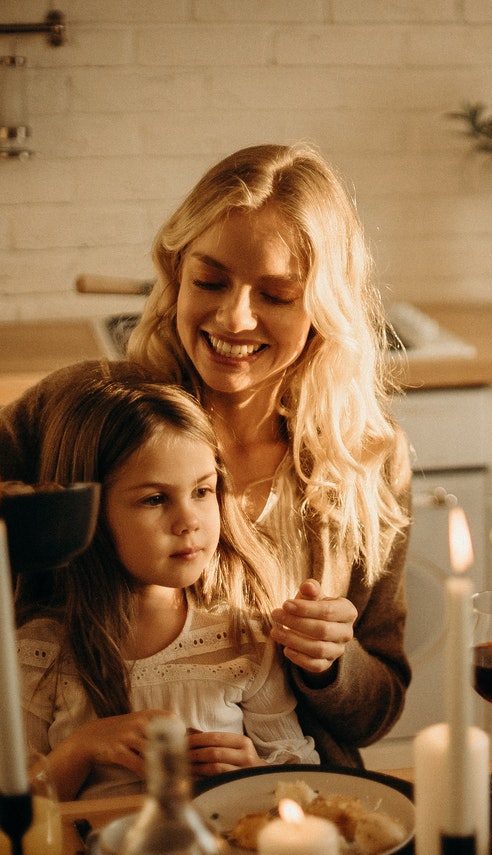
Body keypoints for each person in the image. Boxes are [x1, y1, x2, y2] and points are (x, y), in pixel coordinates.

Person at [0, 143, 412, 766]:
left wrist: (333, 663)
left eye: (276, 295)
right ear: (176, 276)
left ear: (325, 308)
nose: (234, 318)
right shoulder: (90, 413)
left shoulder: (363, 461)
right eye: (210, 282)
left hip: (297, 797)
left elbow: (376, 714)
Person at [16, 378, 319, 800]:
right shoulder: (38, 654)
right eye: (155, 499)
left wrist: (254, 774)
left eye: (202, 491)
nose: (189, 521)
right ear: (88, 514)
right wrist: (81, 748)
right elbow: (13, 809)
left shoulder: (245, 640)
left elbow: (302, 780)